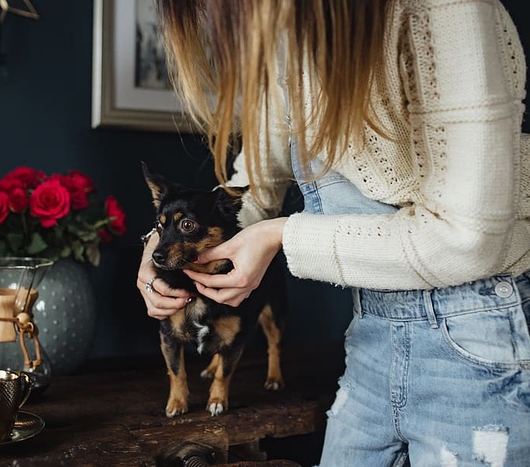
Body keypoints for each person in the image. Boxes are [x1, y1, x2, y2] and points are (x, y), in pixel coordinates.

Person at [137, 0, 530, 465]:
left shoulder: (444, 10)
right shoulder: (288, 42)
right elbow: (255, 188)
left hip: (474, 342)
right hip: (369, 339)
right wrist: (155, 248)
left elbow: (467, 239)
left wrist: (281, 235)